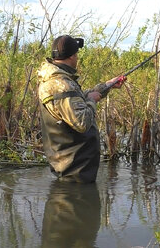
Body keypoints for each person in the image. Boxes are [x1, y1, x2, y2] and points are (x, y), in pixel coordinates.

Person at [37, 35, 126, 183]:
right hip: (74, 170)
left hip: (72, 167)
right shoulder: (61, 84)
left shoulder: (56, 80)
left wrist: (106, 86)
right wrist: (92, 100)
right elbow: (82, 122)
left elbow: (75, 101)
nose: (77, 58)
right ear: (72, 56)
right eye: (77, 54)